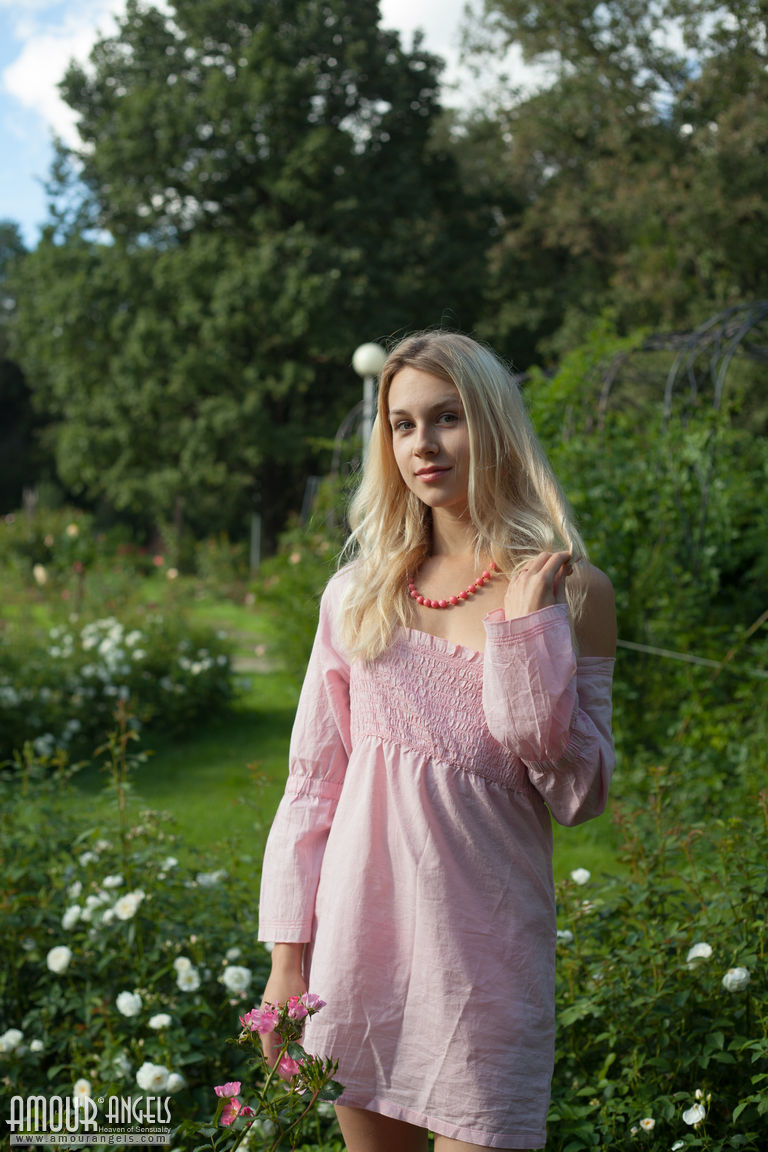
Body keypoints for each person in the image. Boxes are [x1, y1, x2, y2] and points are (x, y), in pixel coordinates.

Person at [257, 331, 616, 1152]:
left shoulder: (573, 592)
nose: (423, 443)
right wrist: (287, 962)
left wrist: (526, 642)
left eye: (447, 417)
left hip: (486, 967)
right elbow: (312, 785)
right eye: (403, 424)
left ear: (493, 424)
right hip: (359, 957)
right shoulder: (357, 596)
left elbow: (579, 795)